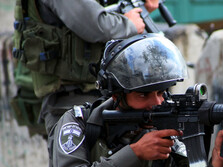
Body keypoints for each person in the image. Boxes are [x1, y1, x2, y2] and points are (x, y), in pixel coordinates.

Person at [26, 34, 223, 167]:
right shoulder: (78, 123)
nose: (156, 102)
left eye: (161, 92)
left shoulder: (163, 133)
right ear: (117, 95)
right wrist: (136, 152)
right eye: (143, 95)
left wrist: (217, 164)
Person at [12, 0, 159, 137]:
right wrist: (129, 24)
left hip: (98, 95)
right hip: (74, 99)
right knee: (76, 161)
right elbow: (95, 24)